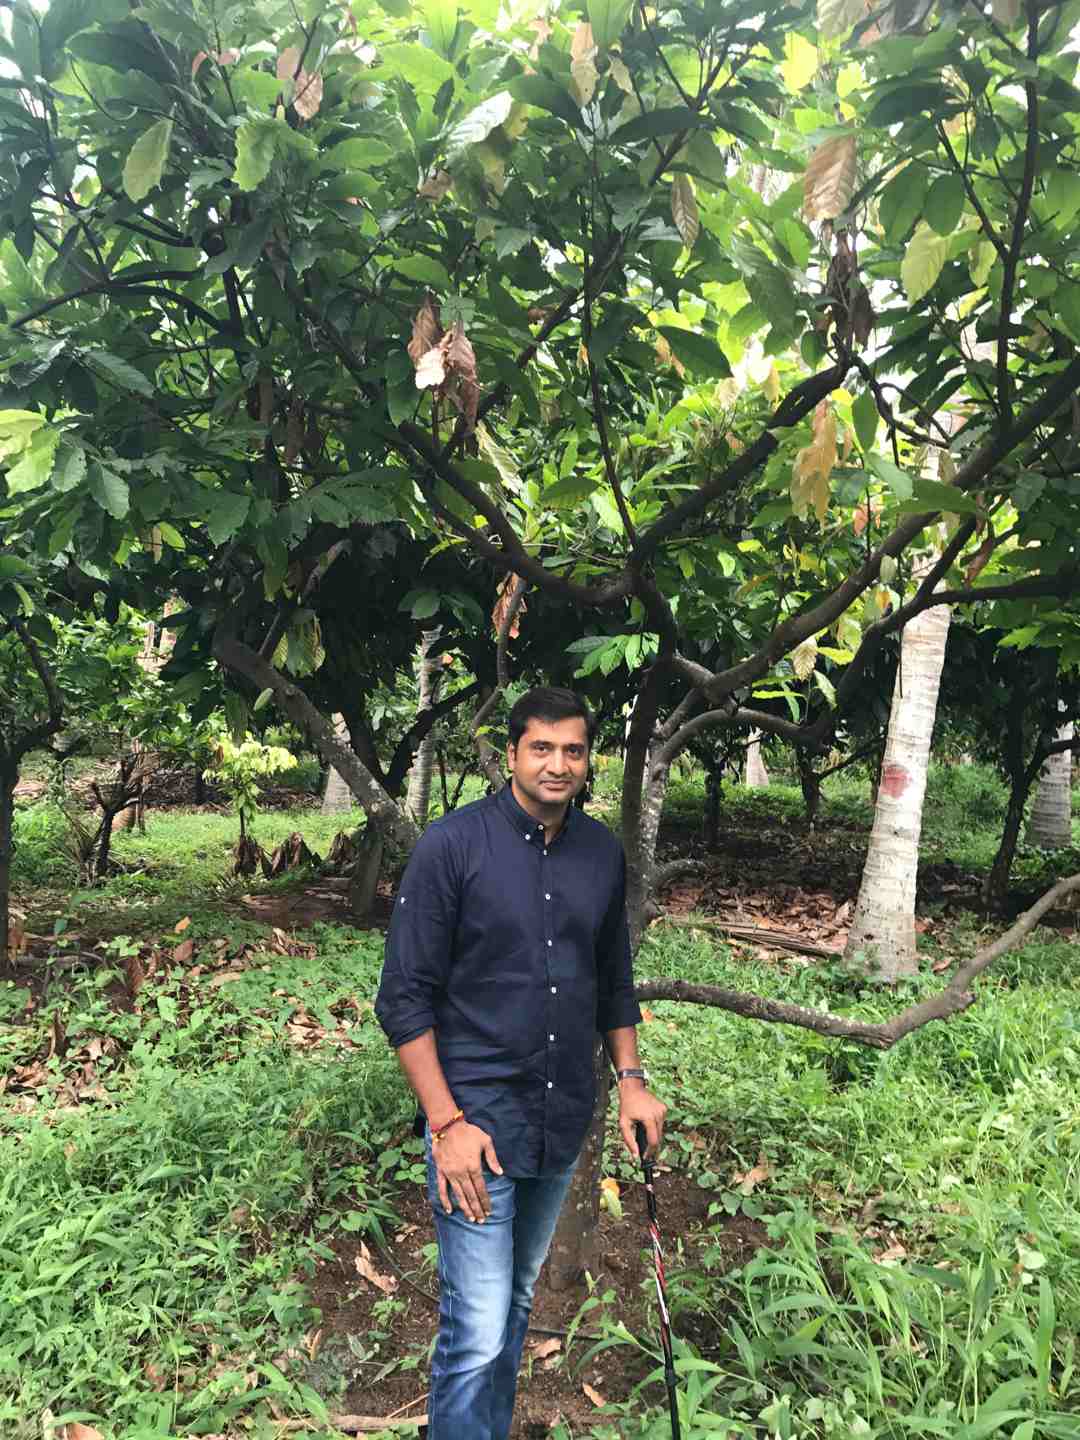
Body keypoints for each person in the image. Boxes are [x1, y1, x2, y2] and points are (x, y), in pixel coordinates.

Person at [375, 685, 667, 1440]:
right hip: (475, 1125)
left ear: (588, 759)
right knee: (474, 1327)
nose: (558, 764)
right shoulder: (453, 846)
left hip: (558, 1117)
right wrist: (445, 1124)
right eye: (541, 747)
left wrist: (631, 1082)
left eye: (573, 749)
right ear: (511, 754)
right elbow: (403, 998)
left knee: (512, 1308)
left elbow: (613, 980)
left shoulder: (602, 853)